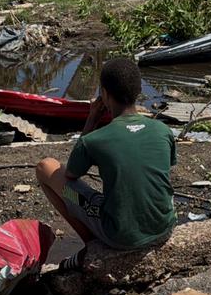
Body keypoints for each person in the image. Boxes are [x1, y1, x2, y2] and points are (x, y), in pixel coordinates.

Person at [35, 57, 177, 269]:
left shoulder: (95, 140)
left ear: (104, 93)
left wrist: (91, 121)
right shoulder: (163, 131)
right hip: (164, 226)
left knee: (45, 167)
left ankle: (91, 244)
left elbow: (71, 174)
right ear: (138, 92)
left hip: (120, 234)